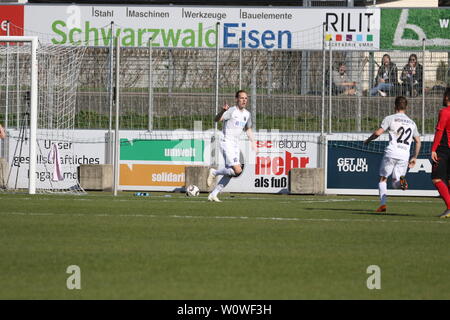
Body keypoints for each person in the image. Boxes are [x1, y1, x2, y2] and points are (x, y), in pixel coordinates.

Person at [364, 96, 421, 213]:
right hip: (404, 155)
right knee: (395, 182)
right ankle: (402, 183)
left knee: (383, 179)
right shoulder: (412, 123)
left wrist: (368, 140)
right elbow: (418, 141)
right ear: (406, 107)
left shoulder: (390, 118)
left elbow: (377, 133)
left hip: (391, 152)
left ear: (394, 106)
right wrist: (414, 157)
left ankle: (383, 205)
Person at [206, 90, 257, 202]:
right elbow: (216, 119)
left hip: (235, 145)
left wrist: (253, 142)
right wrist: (222, 111)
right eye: (242, 98)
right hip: (226, 142)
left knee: (232, 172)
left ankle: (213, 194)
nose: (244, 100)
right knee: (238, 170)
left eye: (246, 98)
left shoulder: (247, 114)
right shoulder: (231, 111)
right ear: (236, 99)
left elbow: (248, 129)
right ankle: (214, 172)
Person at [431, 87, 450, 218]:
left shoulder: (444, 112)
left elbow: (439, 130)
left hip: (444, 149)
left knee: (436, 178)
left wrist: (433, 149)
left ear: (447, 97)